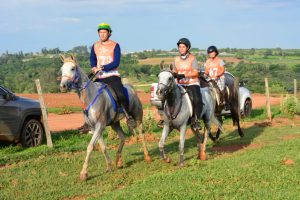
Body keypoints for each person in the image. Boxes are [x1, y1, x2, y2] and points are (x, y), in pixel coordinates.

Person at [90, 22, 135, 127]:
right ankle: (88, 121)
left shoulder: (115, 45)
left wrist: (104, 67)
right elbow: (92, 58)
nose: (102, 34)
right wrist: (94, 67)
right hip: (99, 76)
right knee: (89, 93)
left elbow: (116, 62)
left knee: (120, 93)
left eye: (104, 32)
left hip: (112, 76)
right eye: (100, 32)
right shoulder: (95, 45)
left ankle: (129, 116)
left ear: (109, 33)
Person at [173, 38, 204, 130]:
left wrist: (184, 75)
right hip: (180, 84)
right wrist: (174, 74)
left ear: (187, 48)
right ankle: (166, 118)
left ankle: (197, 120)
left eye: (183, 47)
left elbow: (195, 73)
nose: (181, 48)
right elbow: (174, 71)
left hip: (192, 83)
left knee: (197, 99)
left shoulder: (192, 58)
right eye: (179, 47)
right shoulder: (175, 59)